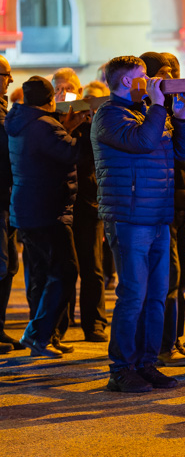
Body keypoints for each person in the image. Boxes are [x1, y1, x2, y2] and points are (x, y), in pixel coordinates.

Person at [92, 55, 185, 392]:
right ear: (126, 82)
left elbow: (184, 153)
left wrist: (181, 118)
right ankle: (121, 368)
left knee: (156, 295)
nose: (150, 81)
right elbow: (143, 142)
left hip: (158, 216)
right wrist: (159, 107)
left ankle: (147, 363)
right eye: (143, 76)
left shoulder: (146, 113)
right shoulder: (108, 115)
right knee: (133, 295)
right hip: (129, 218)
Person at [8, 76, 82, 357]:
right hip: (48, 210)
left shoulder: (19, 121)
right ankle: (38, 334)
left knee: (44, 273)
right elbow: (73, 153)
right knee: (66, 271)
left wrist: (65, 128)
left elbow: (45, 151)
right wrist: (86, 128)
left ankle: (42, 336)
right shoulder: (45, 125)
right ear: (50, 99)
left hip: (26, 209)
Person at [52, 68, 108, 343]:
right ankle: (59, 326)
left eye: (67, 88)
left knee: (92, 267)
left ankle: (94, 322)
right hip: (59, 202)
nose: (63, 94)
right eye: (58, 89)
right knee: (63, 268)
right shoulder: (48, 123)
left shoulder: (90, 122)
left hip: (87, 202)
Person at [0, 57, 20, 353]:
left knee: (9, 266)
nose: (10, 80)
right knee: (2, 265)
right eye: (7, 74)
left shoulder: (5, 109)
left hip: (8, 197)